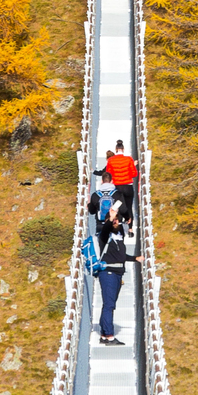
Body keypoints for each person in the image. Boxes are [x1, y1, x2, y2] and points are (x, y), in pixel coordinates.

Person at [96, 212, 131, 343]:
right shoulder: (104, 236)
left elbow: (121, 256)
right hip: (108, 273)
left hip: (117, 273)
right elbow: (106, 228)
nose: (116, 222)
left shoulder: (118, 236)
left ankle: (104, 334)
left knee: (109, 304)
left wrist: (135, 258)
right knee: (109, 305)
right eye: (113, 220)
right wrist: (110, 217)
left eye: (117, 220)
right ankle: (109, 336)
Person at [106, 139, 137, 221]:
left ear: (116, 150)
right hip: (128, 186)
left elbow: (108, 174)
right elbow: (134, 174)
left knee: (117, 206)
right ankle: (130, 229)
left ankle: (118, 224)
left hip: (117, 187)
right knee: (129, 207)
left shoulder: (111, 160)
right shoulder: (129, 159)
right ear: (123, 150)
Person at [88, 167, 117, 252]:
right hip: (113, 223)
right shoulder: (117, 194)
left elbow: (92, 212)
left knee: (100, 245)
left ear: (102, 181)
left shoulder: (95, 195)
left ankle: (101, 260)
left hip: (100, 223)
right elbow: (123, 209)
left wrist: (90, 205)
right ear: (111, 181)